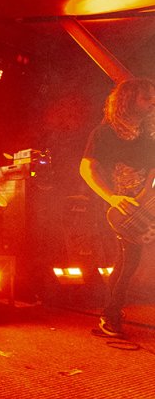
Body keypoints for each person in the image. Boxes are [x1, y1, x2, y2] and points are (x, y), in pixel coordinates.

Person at [80, 77, 155, 337]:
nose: (152, 103)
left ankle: (110, 313)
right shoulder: (105, 133)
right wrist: (112, 198)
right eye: (147, 98)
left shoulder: (148, 133)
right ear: (128, 100)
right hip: (120, 209)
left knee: (126, 260)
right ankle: (110, 316)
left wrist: (147, 193)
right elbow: (87, 169)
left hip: (147, 204)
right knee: (129, 261)